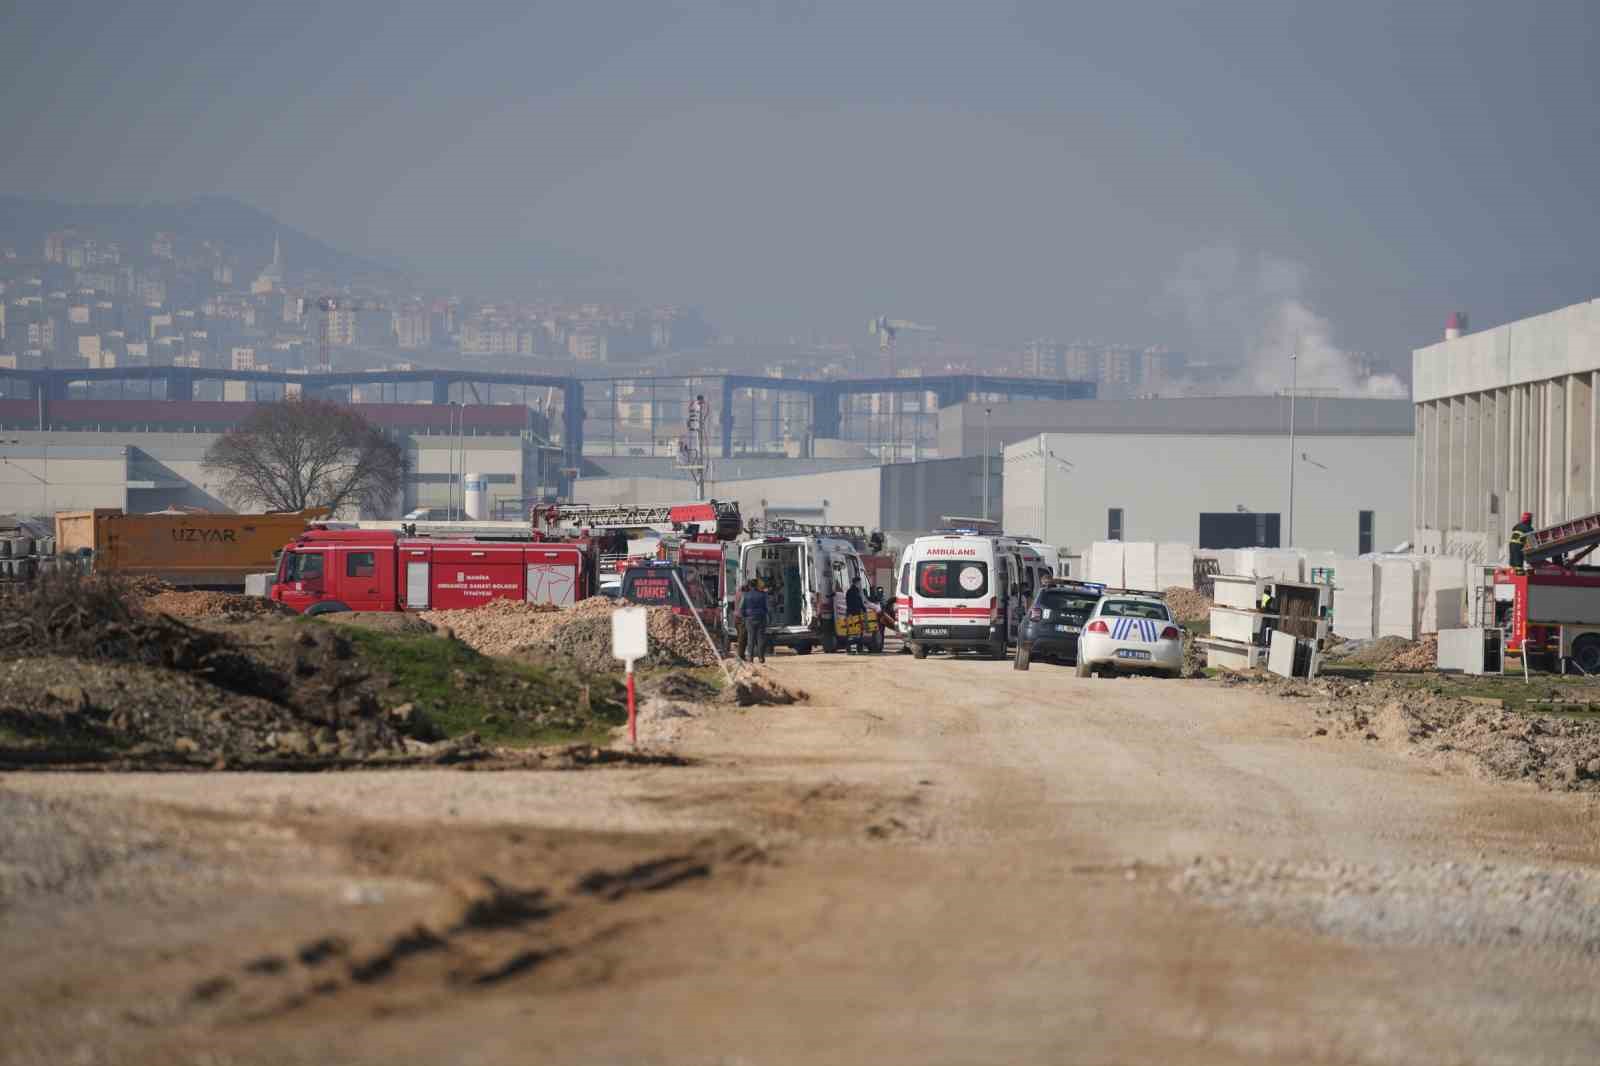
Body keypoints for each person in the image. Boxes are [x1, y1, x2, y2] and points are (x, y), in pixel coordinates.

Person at [739, 579, 770, 663]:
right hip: (761, 617)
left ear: (749, 586)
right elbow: (767, 607)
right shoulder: (763, 595)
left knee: (750, 638)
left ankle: (750, 657)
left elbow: (741, 608)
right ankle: (761, 657)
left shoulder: (745, 595)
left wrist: (745, 616)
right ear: (757, 585)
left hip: (749, 618)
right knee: (760, 638)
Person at [845, 577, 867, 653]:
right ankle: (859, 648)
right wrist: (864, 609)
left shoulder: (849, 591)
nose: (860, 584)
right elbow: (859, 602)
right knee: (858, 631)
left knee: (850, 631)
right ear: (857, 582)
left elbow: (848, 602)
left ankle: (849, 648)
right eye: (859, 583)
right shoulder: (856, 591)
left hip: (850, 613)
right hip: (855, 613)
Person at [732, 581, 751, 661]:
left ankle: (740, 655)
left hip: (736, 617)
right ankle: (740, 656)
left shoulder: (737, 593)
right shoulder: (743, 595)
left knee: (740, 636)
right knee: (742, 638)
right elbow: (742, 607)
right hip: (741, 618)